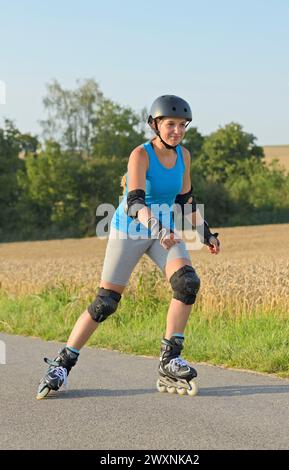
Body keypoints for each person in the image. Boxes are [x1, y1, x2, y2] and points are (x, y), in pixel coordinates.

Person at [36, 95, 220, 399]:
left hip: (163, 231)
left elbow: (185, 200)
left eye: (182, 125)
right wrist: (158, 228)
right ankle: (62, 364)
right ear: (155, 124)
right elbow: (134, 202)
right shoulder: (141, 155)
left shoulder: (184, 156)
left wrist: (207, 234)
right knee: (106, 302)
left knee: (187, 283)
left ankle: (169, 358)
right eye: (171, 124)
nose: (177, 130)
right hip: (131, 229)